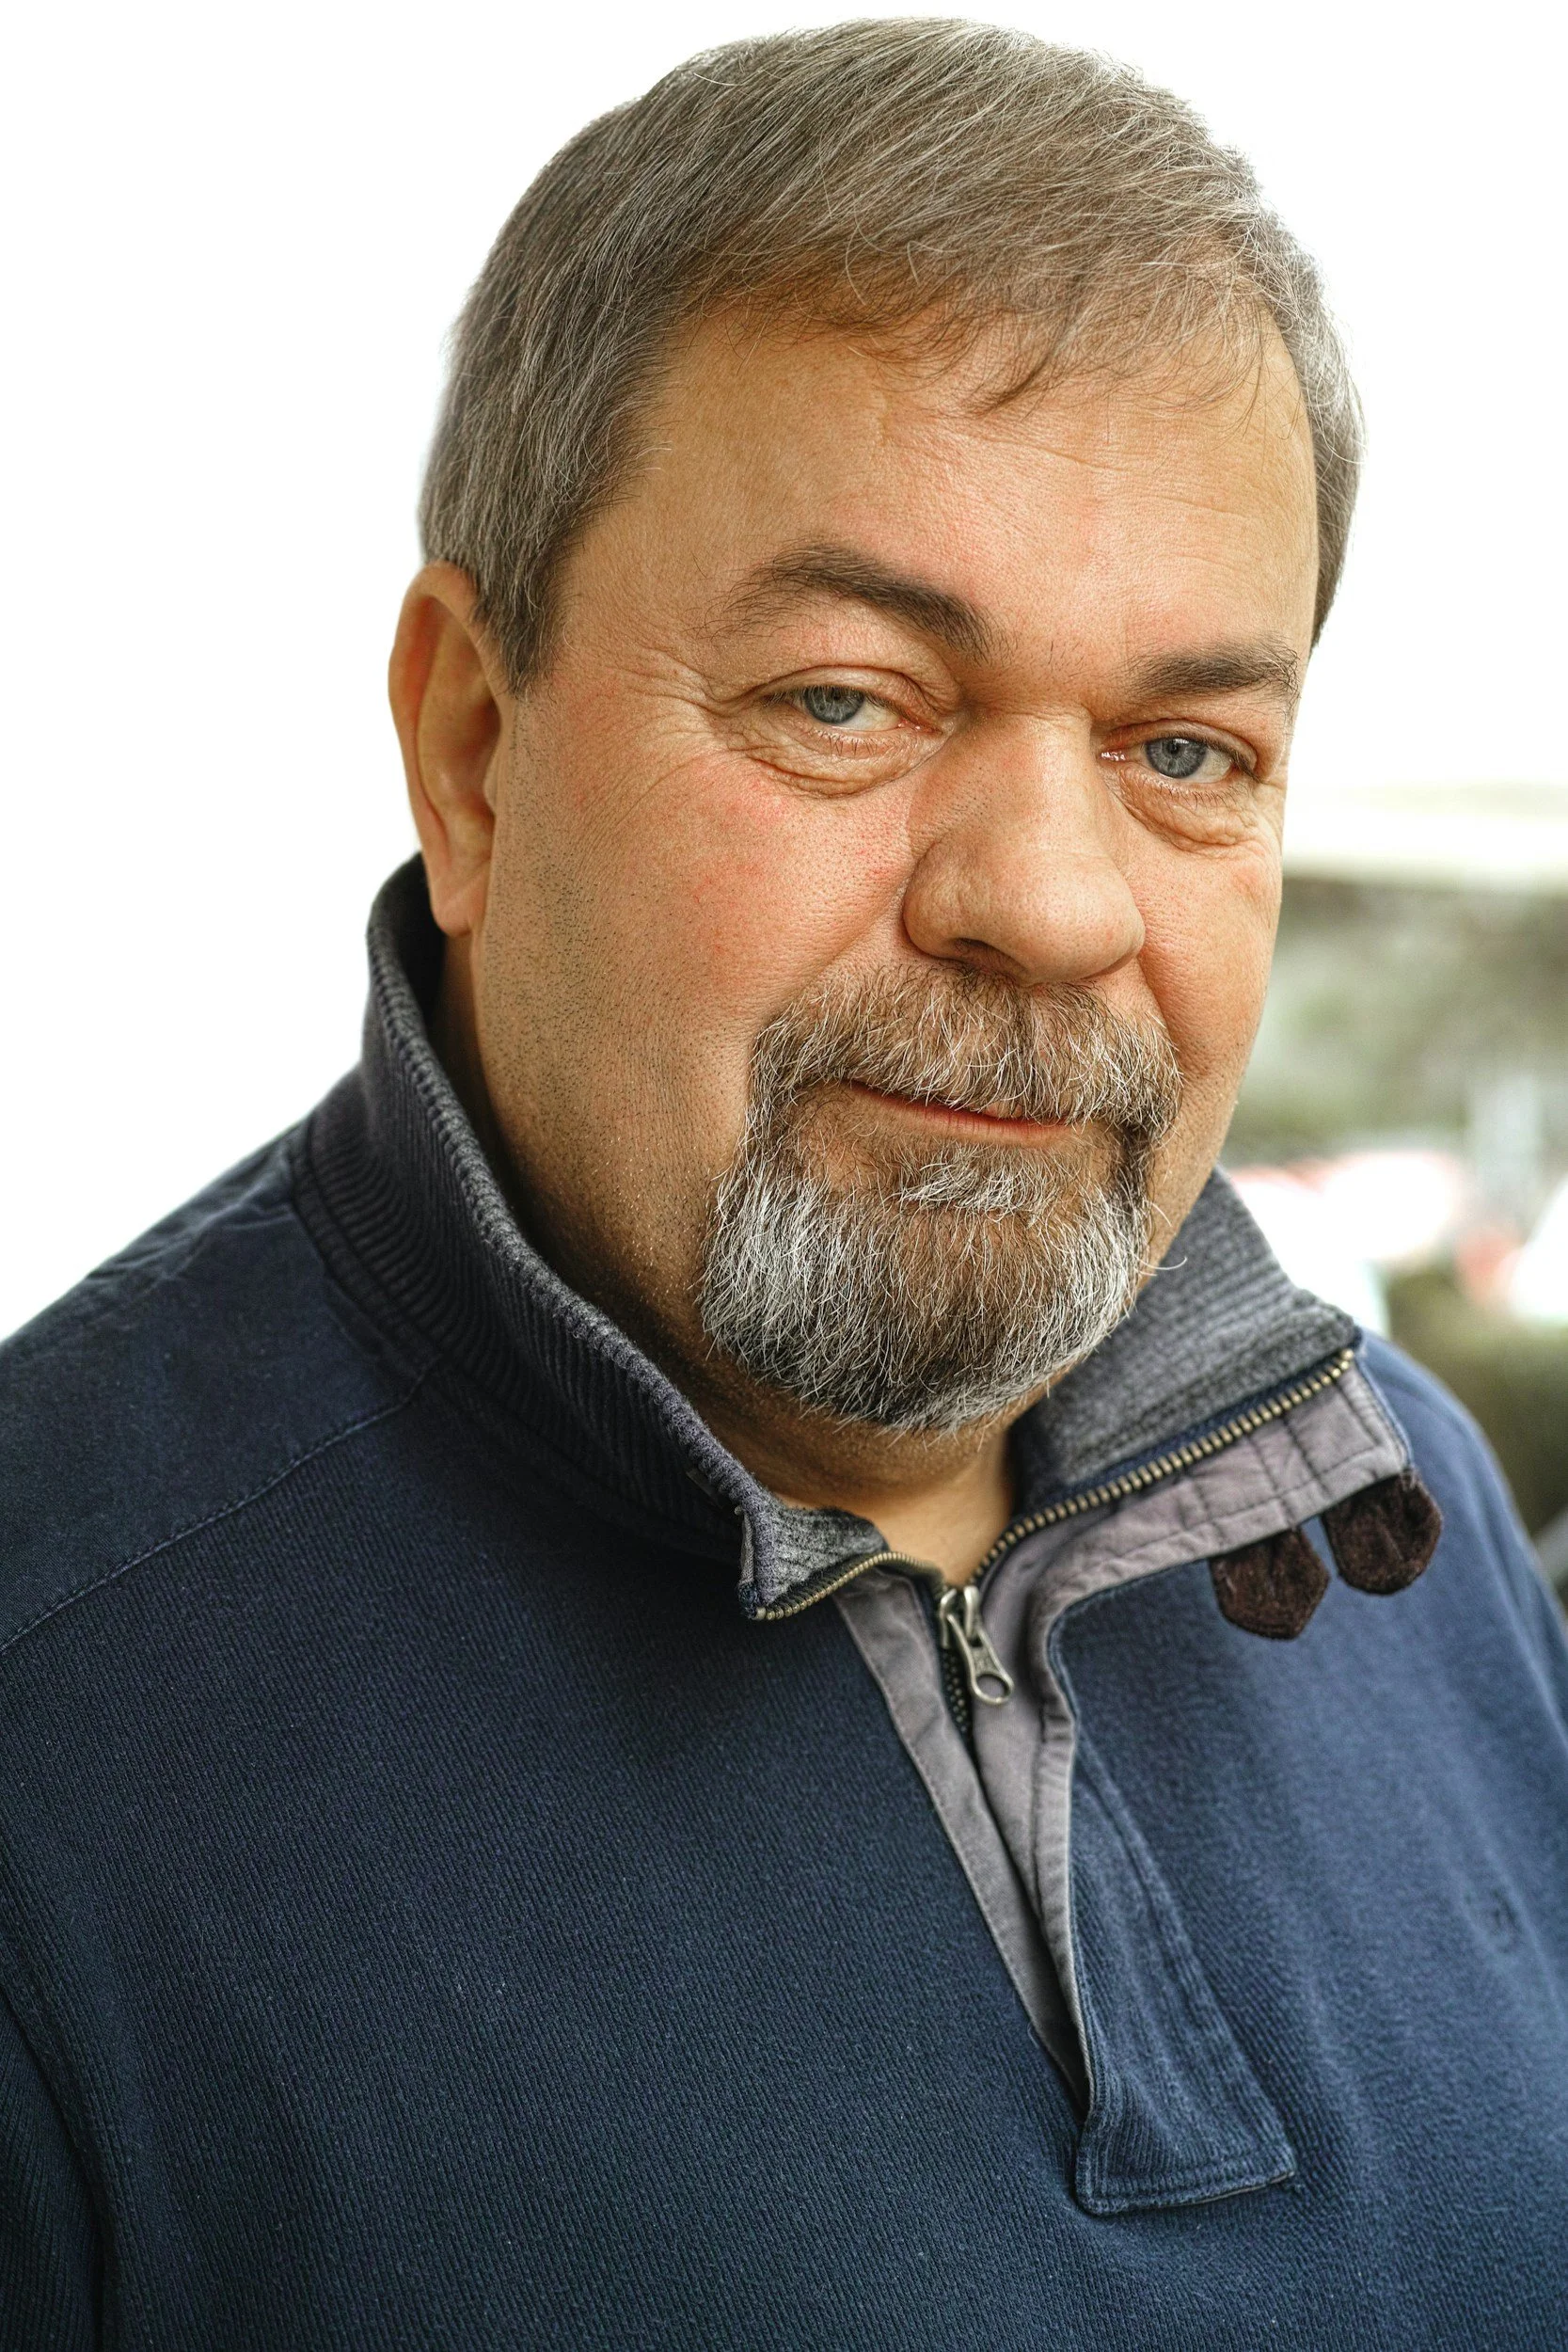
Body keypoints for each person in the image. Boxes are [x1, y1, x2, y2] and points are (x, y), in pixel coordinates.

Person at [2, 23, 1565, 2347]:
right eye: (845, 698)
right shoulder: (49, 1745)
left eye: (1182, 750)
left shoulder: (1388, 1515)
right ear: (472, 745)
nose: (1046, 902)